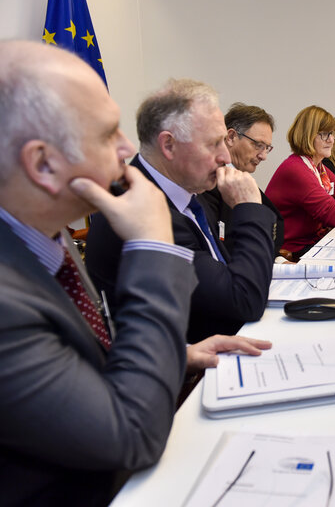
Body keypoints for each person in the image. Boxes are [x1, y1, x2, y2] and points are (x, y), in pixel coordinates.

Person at [0, 40, 271, 506]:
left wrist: (176, 353)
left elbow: (74, 361)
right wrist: (152, 244)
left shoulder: (44, 236)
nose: (127, 147)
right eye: (107, 135)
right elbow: (131, 435)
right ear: (43, 164)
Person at [87, 79, 276, 343]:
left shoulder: (185, 194)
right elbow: (243, 301)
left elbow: (226, 273)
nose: (225, 156)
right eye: (213, 144)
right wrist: (248, 209)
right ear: (169, 145)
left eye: (224, 142)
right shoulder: (142, 209)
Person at [265, 106, 335, 258]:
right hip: (293, 250)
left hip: (314, 241)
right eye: (324, 134)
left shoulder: (318, 167)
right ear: (307, 136)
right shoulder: (296, 169)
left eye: (332, 134)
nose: (331, 140)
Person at [200, 103, 286, 259]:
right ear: (231, 137)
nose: (263, 156)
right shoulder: (208, 181)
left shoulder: (237, 175)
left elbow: (277, 225)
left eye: (267, 148)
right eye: (258, 145)